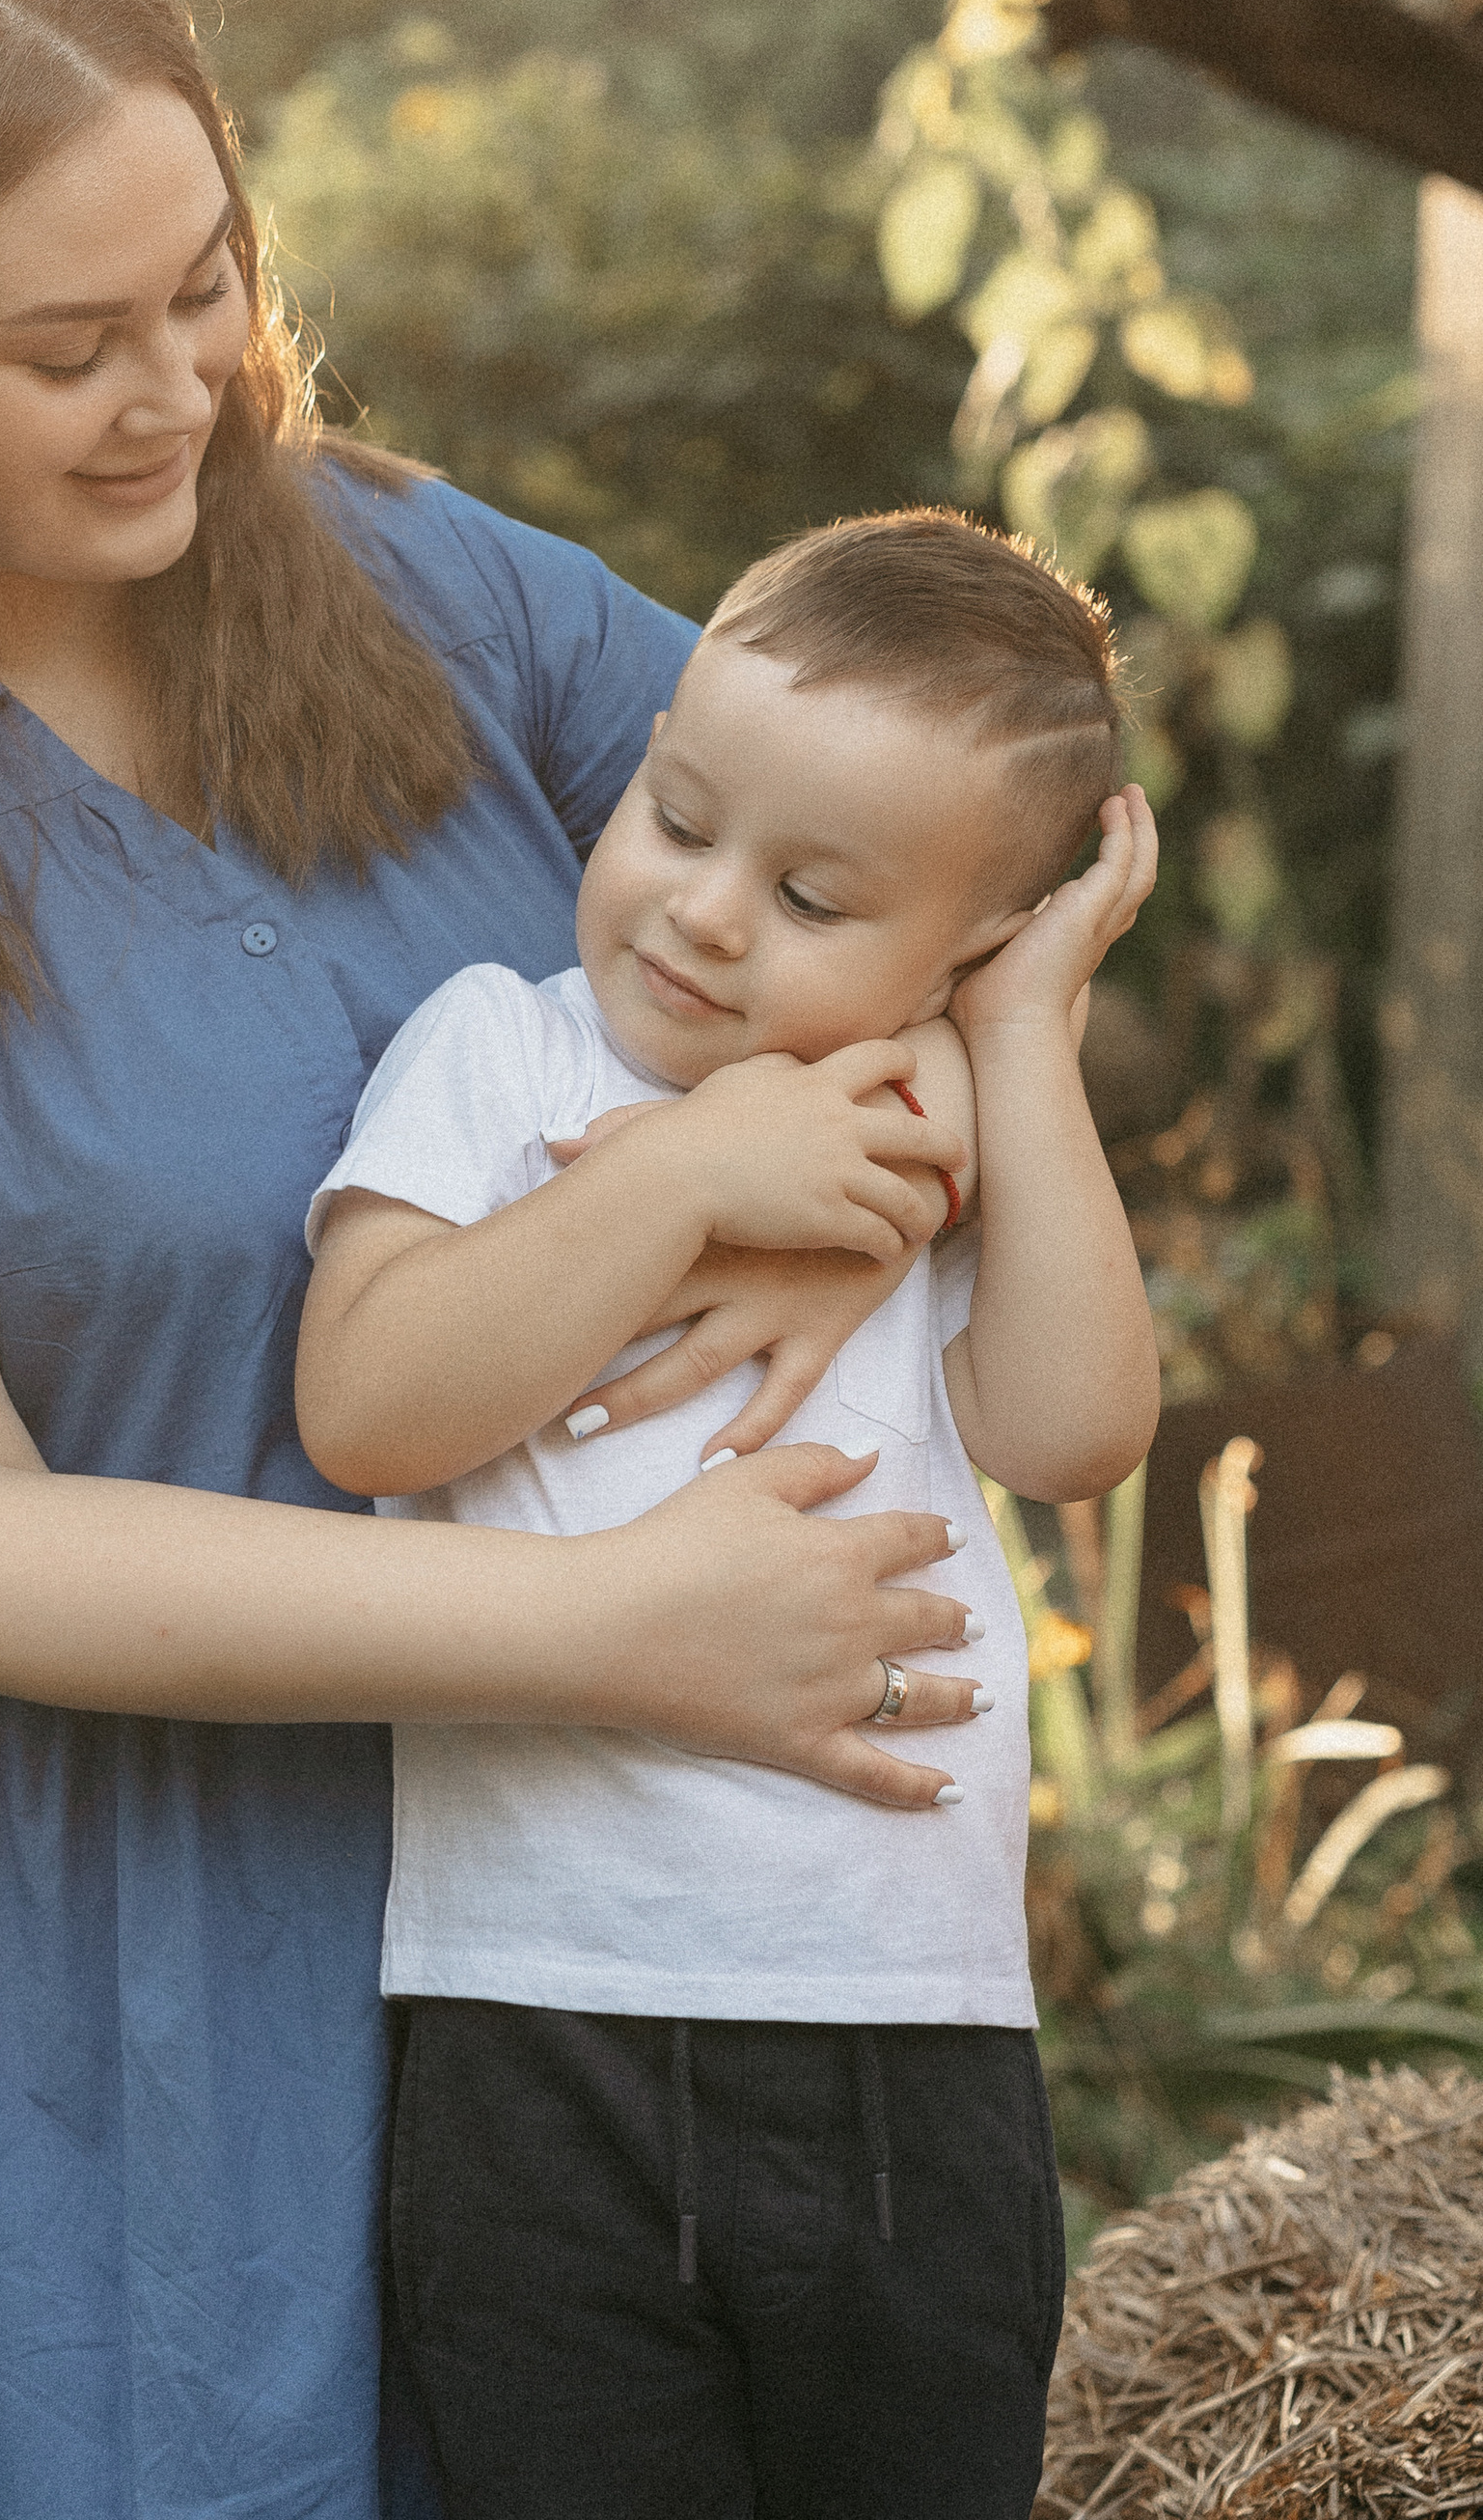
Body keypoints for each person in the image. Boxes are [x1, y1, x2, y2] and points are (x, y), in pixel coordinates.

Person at [0, 0, 991, 2520]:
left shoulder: (418, 580)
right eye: (63, 346)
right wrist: (614, 1622)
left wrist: (816, 1179)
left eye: (205, 283)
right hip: (102, 1933)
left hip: (584, 1902)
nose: (179, 386)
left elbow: (961, 860)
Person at [295, 511, 1163, 2520]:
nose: (698, 915)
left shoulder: (919, 1116)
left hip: (902, 2033)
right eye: (674, 819)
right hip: (536, 2029)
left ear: (953, 947)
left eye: (808, 894)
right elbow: (363, 1403)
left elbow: (1070, 1426)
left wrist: (1016, 1042)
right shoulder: (495, 1056)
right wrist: (678, 1181)